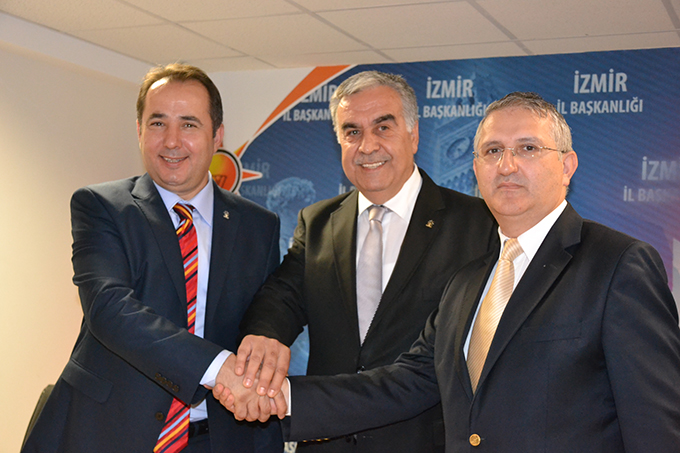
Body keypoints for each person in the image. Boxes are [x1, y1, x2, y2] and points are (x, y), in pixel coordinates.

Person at [217, 92, 680, 451]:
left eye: (528, 148)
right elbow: (406, 383)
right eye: (492, 151)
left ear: (567, 165)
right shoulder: (468, 282)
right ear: (476, 169)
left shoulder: (618, 264)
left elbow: (656, 427)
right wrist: (284, 397)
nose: (507, 165)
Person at [230, 70, 497, 452]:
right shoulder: (318, 222)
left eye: (383, 127)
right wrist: (265, 337)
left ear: (413, 134)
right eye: (352, 131)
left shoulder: (477, 225)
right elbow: (283, 297)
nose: (367, 146)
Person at [22, 64, 283, 453]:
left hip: (216, 437)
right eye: (158, 123)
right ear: (139, 131)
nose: (171, 141)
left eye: (189, 124)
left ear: (217, 136)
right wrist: (217, 368)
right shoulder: (101, 206)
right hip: (109, 432)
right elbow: (110, 309)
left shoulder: (259, 225)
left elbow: (263, 317)